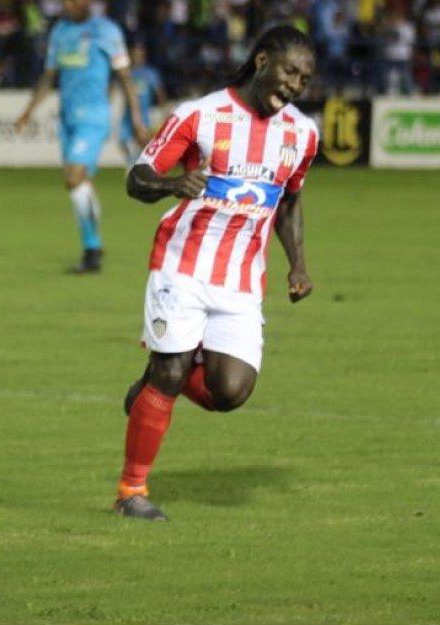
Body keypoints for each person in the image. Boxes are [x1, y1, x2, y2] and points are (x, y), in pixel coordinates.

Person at [113, 25, 319, 521]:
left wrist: (298, 263)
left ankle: (158, 378)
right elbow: (136, 179)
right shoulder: (199, 115)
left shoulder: (302, 134)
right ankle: (131, 491)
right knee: (172, 370)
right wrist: (171, 184)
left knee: (231, 391)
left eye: (305, 80)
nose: (294, 86)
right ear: (262, 60)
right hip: (181, 264)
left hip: (242, 280)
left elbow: (289, 201)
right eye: (290, 72)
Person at [14, 0, 147, 274]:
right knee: (79, 184)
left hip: (94, 116)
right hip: (68, 119)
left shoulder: (107, 31)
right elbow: (49, 76)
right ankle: (93, 246)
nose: (66, 6)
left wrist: (136, 120)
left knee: (73, 176)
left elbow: (126, 79)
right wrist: (28, 111)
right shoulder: (60, 31)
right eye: (64, 1)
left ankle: (92, 249)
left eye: (71, 0)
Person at [116, 42, 166, 169]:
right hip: (127, 115)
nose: (137, 57)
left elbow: (159, 92)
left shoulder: (150, 73)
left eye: (140, 55)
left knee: (143, 143)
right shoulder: (127, 72)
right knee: (123, 142)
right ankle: (131, 162)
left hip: (144, 115)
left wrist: (161, 110)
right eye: (135, 54)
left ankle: (139, 166)